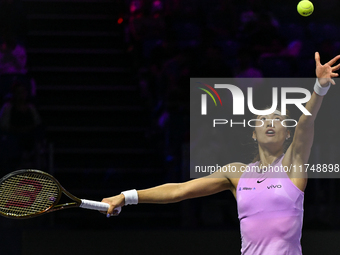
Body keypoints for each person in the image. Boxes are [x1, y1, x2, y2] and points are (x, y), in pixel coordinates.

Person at [101, 52, 340, 255]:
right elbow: (179, 190)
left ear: (287, 134)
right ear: (254, 134)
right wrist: (126, 196)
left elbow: (305, 125)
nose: (270, 122)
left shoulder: (292, 165)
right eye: (263, 119)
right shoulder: (236, 173)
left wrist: (319, 88)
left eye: (277, 119)